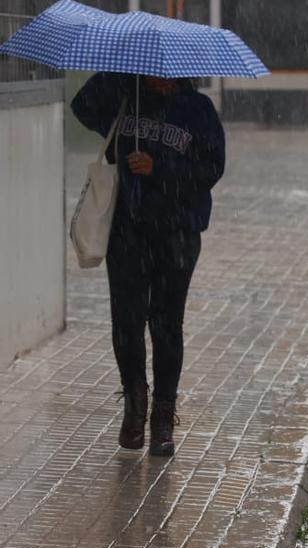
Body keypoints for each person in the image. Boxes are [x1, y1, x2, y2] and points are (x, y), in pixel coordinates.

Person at [72, 73, 225, 457]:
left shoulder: (198, 110)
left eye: (165, 71)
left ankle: (162, 416)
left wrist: (159, 167)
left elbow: (211, 170)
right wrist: (118, 69)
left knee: (166, 323)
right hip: (127, 230)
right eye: (151, 69)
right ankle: (134, 404)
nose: (159, 77)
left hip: (178, 232)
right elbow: (82, 105)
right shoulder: (126, 97)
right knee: (126, 321)